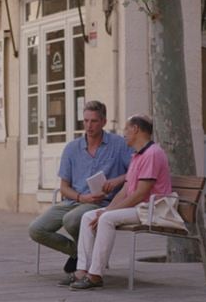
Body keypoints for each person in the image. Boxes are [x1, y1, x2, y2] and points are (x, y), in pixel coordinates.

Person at [28, 101, 132, 286]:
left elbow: (135, 171)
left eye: (93, 121)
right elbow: (64, 186)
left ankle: (83, 263)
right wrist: (80, 197)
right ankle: (79, 254)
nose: (89, 126)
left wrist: (117, 180)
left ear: (103, 121)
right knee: (36, 229)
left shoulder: (119, 144)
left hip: (102, 203)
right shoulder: (72, 148)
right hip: (75, 200)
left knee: (71, 219)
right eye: (85, 121)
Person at [69, 113, 172, 290]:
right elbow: (125, 190)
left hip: (151, 209)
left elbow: (140, 194)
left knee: (107, 219)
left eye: (126, 128)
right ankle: (82, 271)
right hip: (139, 208)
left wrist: (107, 213)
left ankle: (95, 275)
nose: (123, 133)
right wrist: (107, 208)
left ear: (136, 129)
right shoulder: (137, 156)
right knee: (88, 216)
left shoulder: (153, 154)